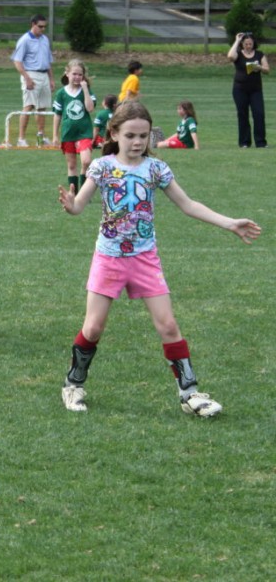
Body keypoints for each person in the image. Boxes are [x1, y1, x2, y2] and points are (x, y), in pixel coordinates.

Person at [57, 101, 261, 417]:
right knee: (94, 327)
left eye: (144, 135)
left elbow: (189, 204)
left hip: (145, 259)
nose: (138, 142)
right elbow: (81, 204)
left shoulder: (157, 169)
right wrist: (72, 206)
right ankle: (73, 384)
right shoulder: (101, 167)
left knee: (168, 325)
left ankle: (190, 394)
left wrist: (229, 222)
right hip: (109, 258)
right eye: (130, 135)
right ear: (114, 133)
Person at [11, 15, 54, 147]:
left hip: (44, 75)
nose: (42, 29)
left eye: (44, 27)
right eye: (40, 26)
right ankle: (21, 138)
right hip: (31, 74)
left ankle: (40, 136)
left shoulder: (45, 39)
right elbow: (17, 61)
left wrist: (51, 79)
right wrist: (27, 78)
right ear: (33, 24)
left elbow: (48, 61)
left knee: (42, 107)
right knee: (29, 106)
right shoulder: (24, 40)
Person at [53, 59, 95, 192]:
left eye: (80, 75)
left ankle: (84, 191)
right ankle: (74, 193)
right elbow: (57, 114)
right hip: (68, 133)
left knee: (86, 161)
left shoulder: (86, 91)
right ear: (67, 73)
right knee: (72, 165)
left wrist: (85, 89)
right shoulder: (61, 93)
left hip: (84, 132)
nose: (77, 77)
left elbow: (90, 109)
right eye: (74, 74)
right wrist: (55, 135)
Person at [227, 32, 269, 148]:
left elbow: (267, 70)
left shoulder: (259, 54)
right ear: (242, 44)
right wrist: (236, 40)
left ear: (253, 43)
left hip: (256, 90)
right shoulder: (238, 54)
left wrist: (259, 67)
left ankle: (260, 142)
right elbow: (230, 56)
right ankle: (244, 142)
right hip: (240, 90)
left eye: (250, 44)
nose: (248, 46)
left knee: (259, 114)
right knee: (243, 115)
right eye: (246, 44)